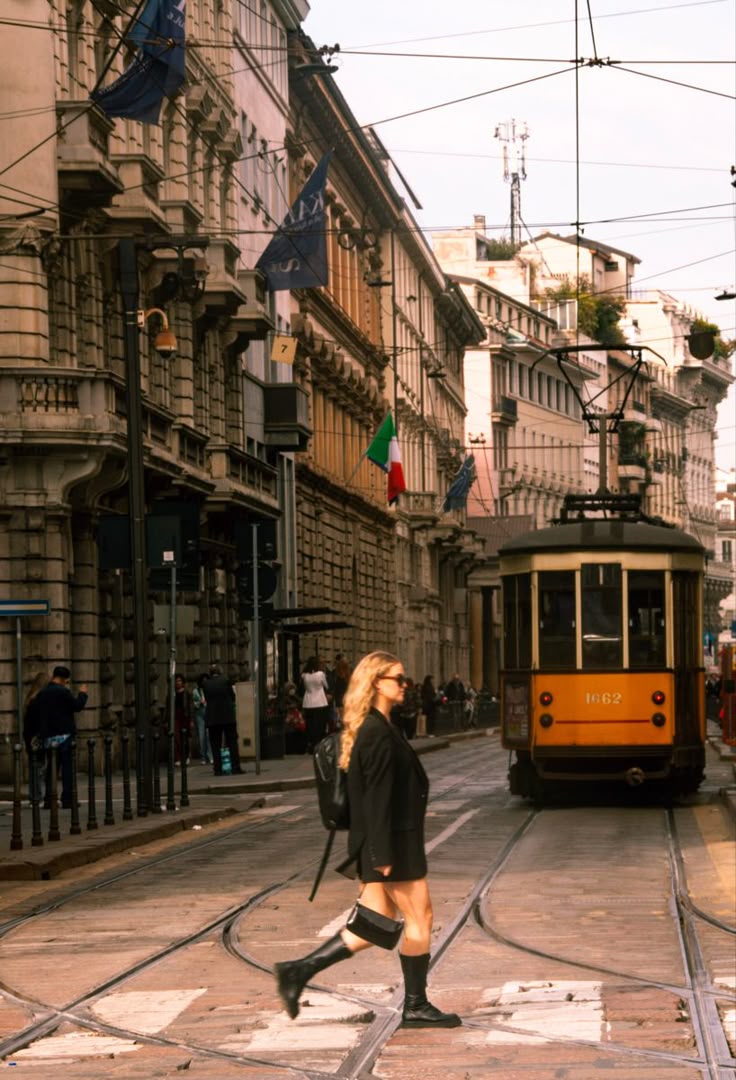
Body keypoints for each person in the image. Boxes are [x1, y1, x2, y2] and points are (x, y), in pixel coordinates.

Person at [274, 650, 460, 1029]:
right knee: (420, 917)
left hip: (386, 842)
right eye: (398, 679)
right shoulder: (375, 733)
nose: (405, 685)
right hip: (391, 844)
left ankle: (297, 971)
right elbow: (375, 802)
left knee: (371, 925)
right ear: (377, 683)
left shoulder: (379, 726)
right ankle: (416, 1005)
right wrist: (382, 855)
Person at [36, 665, 88, 809]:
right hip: (65, 736)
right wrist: (83, 694)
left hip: (49, 737)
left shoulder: (43, 693)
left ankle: (49, 799)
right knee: (67, 769)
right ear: (64, 679)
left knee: (51, 770)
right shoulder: (63, 692)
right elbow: (77, 706)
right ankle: (68, 799)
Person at [205, 664, 243, 775]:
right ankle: (236, 768)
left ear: (210, 673)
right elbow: (232, 696)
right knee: (232, 742)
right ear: (220, 671)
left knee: (215, 744)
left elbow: (207, 698)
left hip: (213, 718)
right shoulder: (226, 681)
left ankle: (218, 769)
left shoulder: (206, 684)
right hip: (227, 716)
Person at [22, 671, 49, 802]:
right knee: (39, 768)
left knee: (35, 767)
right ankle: (37, 796)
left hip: (29, 737)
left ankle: (35, 795)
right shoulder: (40, 700)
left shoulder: (30, 698)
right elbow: (41, 721)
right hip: (37, 737)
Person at [300, 657, 331, 752]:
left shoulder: (304, 675)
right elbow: (326, 685)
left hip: (308, 702)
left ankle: (312, 744)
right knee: (320, 725)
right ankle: (319, 744)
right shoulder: (320, 674)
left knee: (310, 725)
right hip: (320, 702)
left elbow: (303, 687)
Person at [169, 674, 193, 764]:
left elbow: (190, 706)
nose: (178, 683)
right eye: (176, 681)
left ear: (183, 682)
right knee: (177, 738)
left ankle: (186, 756)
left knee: (185, 737)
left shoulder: (187, 693)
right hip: (175, 716)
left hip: (185, 716)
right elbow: (169, 706)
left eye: (179, 681)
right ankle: (178, 758)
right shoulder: (172, 693)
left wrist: (191, 719)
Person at [192, 673, 211, 764]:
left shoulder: (211, 689)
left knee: (209, 735)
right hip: (199, 713)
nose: (205, 682)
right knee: (201, 735)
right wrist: (200, 702)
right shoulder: (196, 691)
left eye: (206, 680)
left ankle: (210, 756)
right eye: (203, 680)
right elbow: (193, 704)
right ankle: (203, 757)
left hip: (208, 711)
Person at [332, 655, 351, 724]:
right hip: (344, 699)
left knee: (341, 719)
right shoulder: (349, 674)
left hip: (340, 699)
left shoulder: (335, 673)